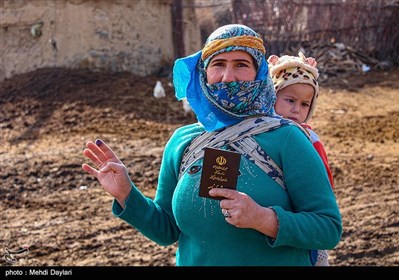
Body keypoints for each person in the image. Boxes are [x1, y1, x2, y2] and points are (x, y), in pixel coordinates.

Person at [82, 24, 342, 266]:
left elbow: (328, 228)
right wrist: (127, 194)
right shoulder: (182, 143)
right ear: (204, 72)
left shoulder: (287, 138)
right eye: (218, 64)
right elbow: (167, 230)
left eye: (241, 64)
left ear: (259, 72)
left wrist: (265, 219)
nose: (228, 77)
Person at [268, 52, 335, 266]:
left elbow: (324, 182)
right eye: (290, 100)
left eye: (305, 104)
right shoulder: (256, 132)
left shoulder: (309, 140)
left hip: (300, 221)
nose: (296, 110)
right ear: (271, 95)